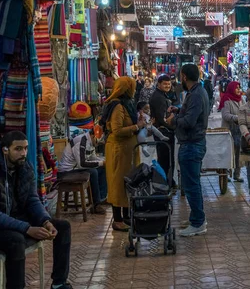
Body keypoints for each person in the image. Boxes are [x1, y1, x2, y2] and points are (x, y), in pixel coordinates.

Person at [0, 131, 73, 289]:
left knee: (62, 226)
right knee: (16, 241)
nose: (23, 153)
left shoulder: (24, 167)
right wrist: (27, 228)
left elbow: (32, 199)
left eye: (25, 148)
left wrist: (45, 221)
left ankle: (59, 283)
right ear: (5, 150)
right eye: (18, 149)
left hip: (15, 219)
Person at [167, 64, 210, 237]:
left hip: (192, 144)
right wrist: (179, 110)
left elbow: (190, 122)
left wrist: (174, 120)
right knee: (193, 184)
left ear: (184, 76)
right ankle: (197, 218)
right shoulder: (197, 92)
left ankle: (198, 222)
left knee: (191, 186)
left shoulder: (196, 95)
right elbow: (193, 114)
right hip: (193, 143)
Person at [101, 77, 145, 232]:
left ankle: (126, 216)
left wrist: (138, 122)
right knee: (117, 183)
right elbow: (117, 130)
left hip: (127, 150)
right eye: (132, 86)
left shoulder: (127, 104)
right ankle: (117, 219)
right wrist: (136, 126)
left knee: (127, 182)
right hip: (118, 150)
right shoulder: (118, 106)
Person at [57, 130, 107, 213]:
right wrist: (101, 163)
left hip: (74, 168)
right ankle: (96, 204)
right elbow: (82, 164)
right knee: (93, 172)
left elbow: (93, 158)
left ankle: (101, 198)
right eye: (98, 141)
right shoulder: (81, 141)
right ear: (93, 136)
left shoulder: (90, 143)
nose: (98, 143)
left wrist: (104, 161)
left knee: (102, 169)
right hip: (66, 172)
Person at [149, 74, 176, 187]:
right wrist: (173, 126)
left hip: (163, 131)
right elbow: (162, 117)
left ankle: (168, 182)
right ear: (159, 84)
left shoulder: (161, 95)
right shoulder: (158, 97)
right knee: (166, 159)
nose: (167, 86)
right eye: (164, 84)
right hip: (163, 132)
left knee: (166, 158)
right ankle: (166, 183)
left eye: (169, 84)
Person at [220, 81, 245, 182]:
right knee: (228, 152)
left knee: (239, 153)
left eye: (239, 88)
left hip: (239, 130)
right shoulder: (227, 99)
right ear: (231, 88)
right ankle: (225, 173)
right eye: (237, 88)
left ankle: (237, 174)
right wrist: (237, 118)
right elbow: (225, 115)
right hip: (229, 130)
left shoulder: (241, 99)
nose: (239, 90)